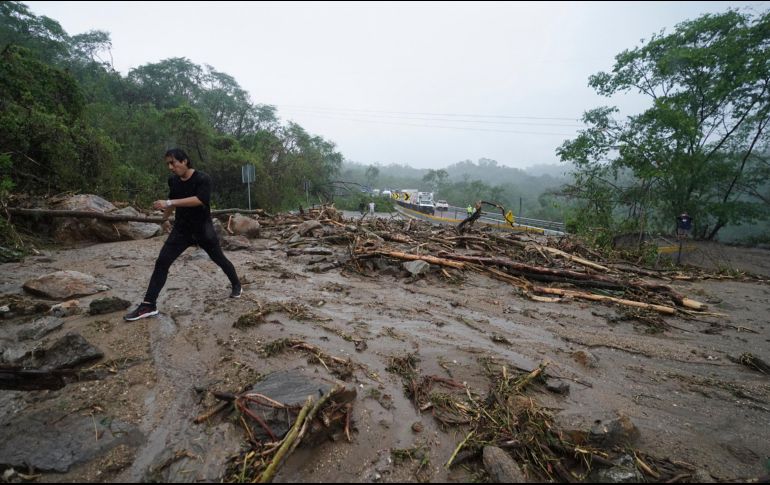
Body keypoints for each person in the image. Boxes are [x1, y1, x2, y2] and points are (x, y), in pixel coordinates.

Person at [124, 148, 242, 321]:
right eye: (168, 164)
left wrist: (168, 202)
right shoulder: (173, 181)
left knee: (219, 259)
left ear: (184, 161)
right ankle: (149, 305)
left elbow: (200, 200)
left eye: (173, 163)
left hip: (203, 230)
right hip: (181, 230)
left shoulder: (203, 179)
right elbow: (172, 202)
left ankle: (236, 284)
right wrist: (164, 219)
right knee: (162, 262)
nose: (170, 167)